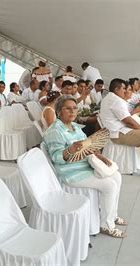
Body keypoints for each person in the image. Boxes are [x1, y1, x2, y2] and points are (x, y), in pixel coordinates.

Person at [43, 95, 126, 238]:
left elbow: (87, 145)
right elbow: (56, 157)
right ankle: (106, 225)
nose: (72, 111)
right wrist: (70, 150)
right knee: (110, 185)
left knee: (116, 176)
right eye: (67, 108)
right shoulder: (55, 131)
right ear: (58, 111)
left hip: (85, 164)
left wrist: (100, 156)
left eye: (75, 108)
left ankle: (112, 215)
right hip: (71, 172)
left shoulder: (75, 126)